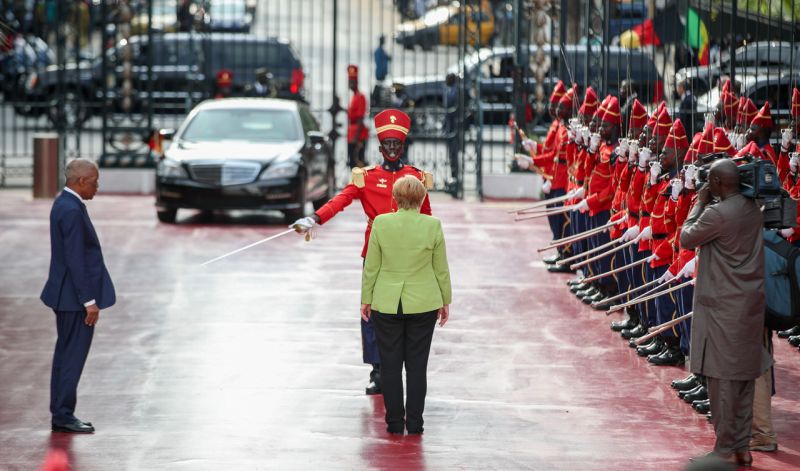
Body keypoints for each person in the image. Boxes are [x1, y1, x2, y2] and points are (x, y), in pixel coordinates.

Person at [291, 109, 433, 396]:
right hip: (377, 254)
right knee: (372, 311)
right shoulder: (366, 177)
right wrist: (315, 218)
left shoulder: (416, 177)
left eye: (396, 144)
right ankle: (378, 370)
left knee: (407, 310)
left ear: (402, 146)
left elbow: (427, 218)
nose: (391, 149)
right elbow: (341, 200)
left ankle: (402, 366)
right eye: (387, 144)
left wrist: (428, 254)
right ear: (379, 148)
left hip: (409, 255)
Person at [680, 158, 771, 468]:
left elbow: (686, 237)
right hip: (749, 306)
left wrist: (699, 203)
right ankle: (742, 447)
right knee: (744, 380)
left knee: (722, 383)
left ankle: (724, 449)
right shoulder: (752, 208)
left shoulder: (717, 213)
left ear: (718, 183)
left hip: (723, 309)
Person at [360, 175, 451, 435]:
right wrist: (445, 300)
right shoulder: (433, 225)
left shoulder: (381, 223)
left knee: (390, 366)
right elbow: (441, 268)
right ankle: (415, 422)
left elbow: (372, 266)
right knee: (417, 366)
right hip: (424, 302)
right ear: (422, 199)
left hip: (387, 302)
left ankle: (394, 422)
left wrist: (366, 299)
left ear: (395, 198)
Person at [40, 158, 115, 434]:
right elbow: (76, 259)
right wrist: (89, 301)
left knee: (65, 355)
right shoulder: (71, 209)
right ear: (81, 181)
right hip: (74, 299)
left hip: (66, 295)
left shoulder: (65, 203)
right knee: (72, 357)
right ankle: (63, 415)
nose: (97, 186)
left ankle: (61, 412)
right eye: (94, 181)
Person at [346, 65, 369, 168]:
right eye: (349, 81)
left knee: (358, 163)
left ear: (356, 82)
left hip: (358, 135)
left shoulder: (360, 97)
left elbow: (360, 118)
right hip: (352, 133)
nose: (350, 84)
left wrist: (356, 138)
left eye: (352, 82)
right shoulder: (354, 96)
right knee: (352, 163)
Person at [443, 73, 459, 193]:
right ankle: (453, 176)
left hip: (455, 127)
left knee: (454, 153)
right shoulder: (448, 91)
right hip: (449, 127)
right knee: (451, 154)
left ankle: (455, 177)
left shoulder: (456, 91)